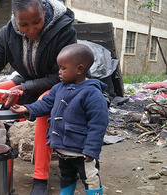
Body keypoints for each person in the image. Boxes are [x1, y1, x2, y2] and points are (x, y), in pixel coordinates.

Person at [0, 0, 76, 194]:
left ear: (43, 10)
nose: (31, 29)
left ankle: (40, 177)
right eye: (24, 24)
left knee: (43, 105)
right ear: (15, 19)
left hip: (58, 86)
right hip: (25, 85)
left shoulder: (64, 30)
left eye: (37, 22)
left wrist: (23, 87)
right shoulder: (7, 33)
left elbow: (61, 75)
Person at [10, 43, 109, 195]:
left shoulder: (92, 94)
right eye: (59, 67)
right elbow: (45, 103)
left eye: (63, 68)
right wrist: (28, 108)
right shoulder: (59, 88)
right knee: (66, 177)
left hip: (83, 153)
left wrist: (92, 149)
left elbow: (98, 124)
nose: (59, 72)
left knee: (90, 179)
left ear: (79, 69)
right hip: (63, 149)